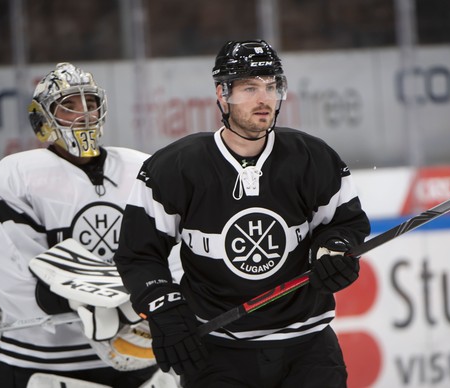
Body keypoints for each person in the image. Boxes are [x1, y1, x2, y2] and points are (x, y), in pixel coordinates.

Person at [114, 40, 371, 388]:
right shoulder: (175, 168)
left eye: (271, 86)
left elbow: (343, 224)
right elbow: (139, 253)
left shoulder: (312, 158)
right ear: (222, 94)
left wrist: (333, 250)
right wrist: (165, 310)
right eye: (249, 87)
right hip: (219, 351)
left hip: (307, 347)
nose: (263, 99)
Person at [0, 62, 165, 388]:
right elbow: (5, 270)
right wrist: (76, 301)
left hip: (137, 354)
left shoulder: (141, 167)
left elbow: (172, 248)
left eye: (90, 103)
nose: (85, 114)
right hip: (44, 363)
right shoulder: (14, 175)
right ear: (43, 117)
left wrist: (162, 297)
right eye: (69, 105)